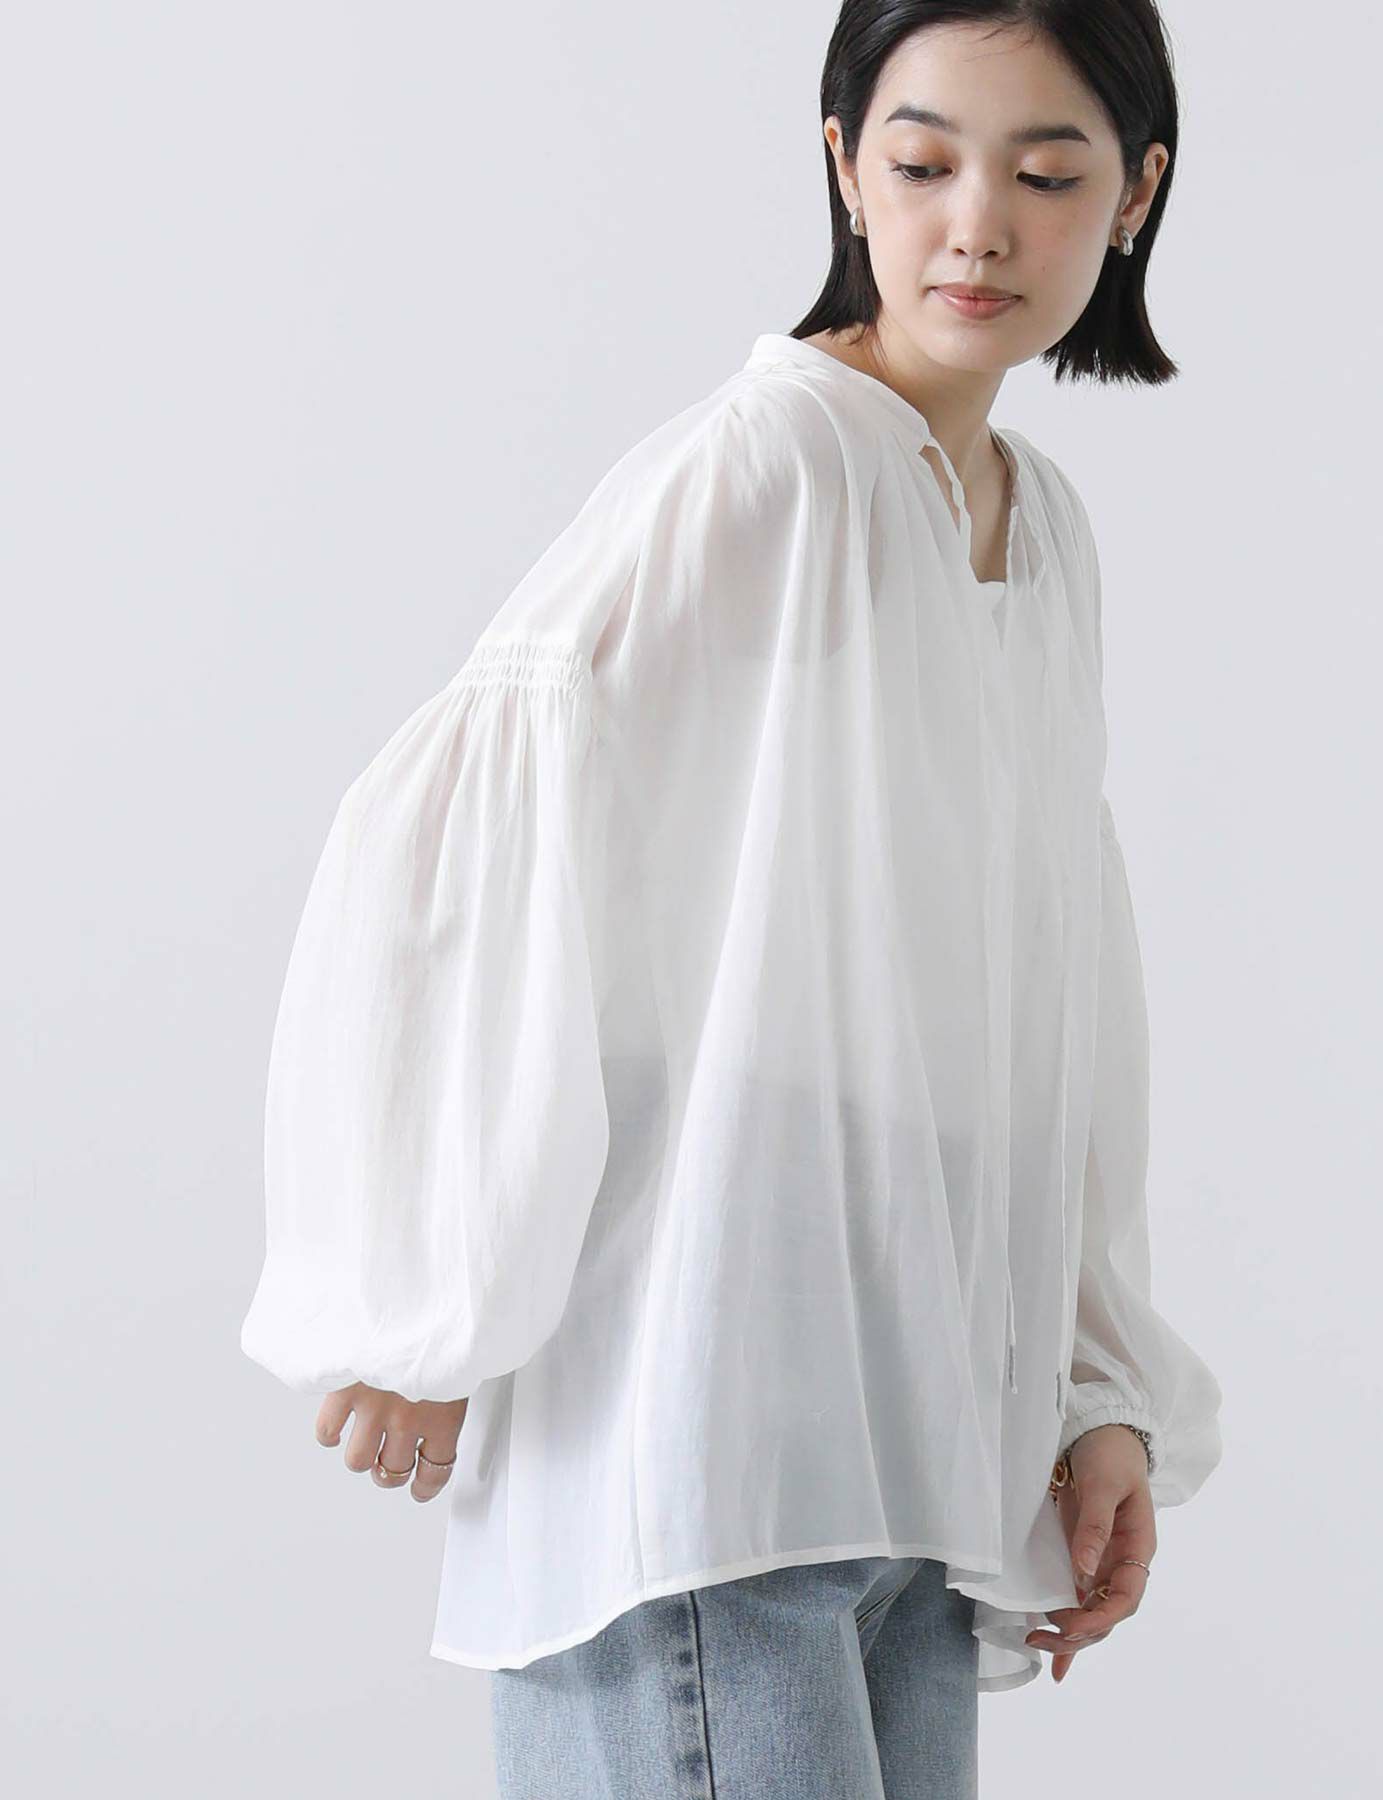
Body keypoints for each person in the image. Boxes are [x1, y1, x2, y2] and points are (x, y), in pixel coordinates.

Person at [240, 2, 1223, 1792]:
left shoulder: (1041, 527)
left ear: (1136, 194)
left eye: (1046, 173)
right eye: (921, 163)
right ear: (843, 163)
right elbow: (486, 814)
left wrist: (1095, 1391)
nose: (977, 227)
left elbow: (1048, 988)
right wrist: (433, 1281)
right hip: (699, 1448)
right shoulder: (771, 465)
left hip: (916, 1456)